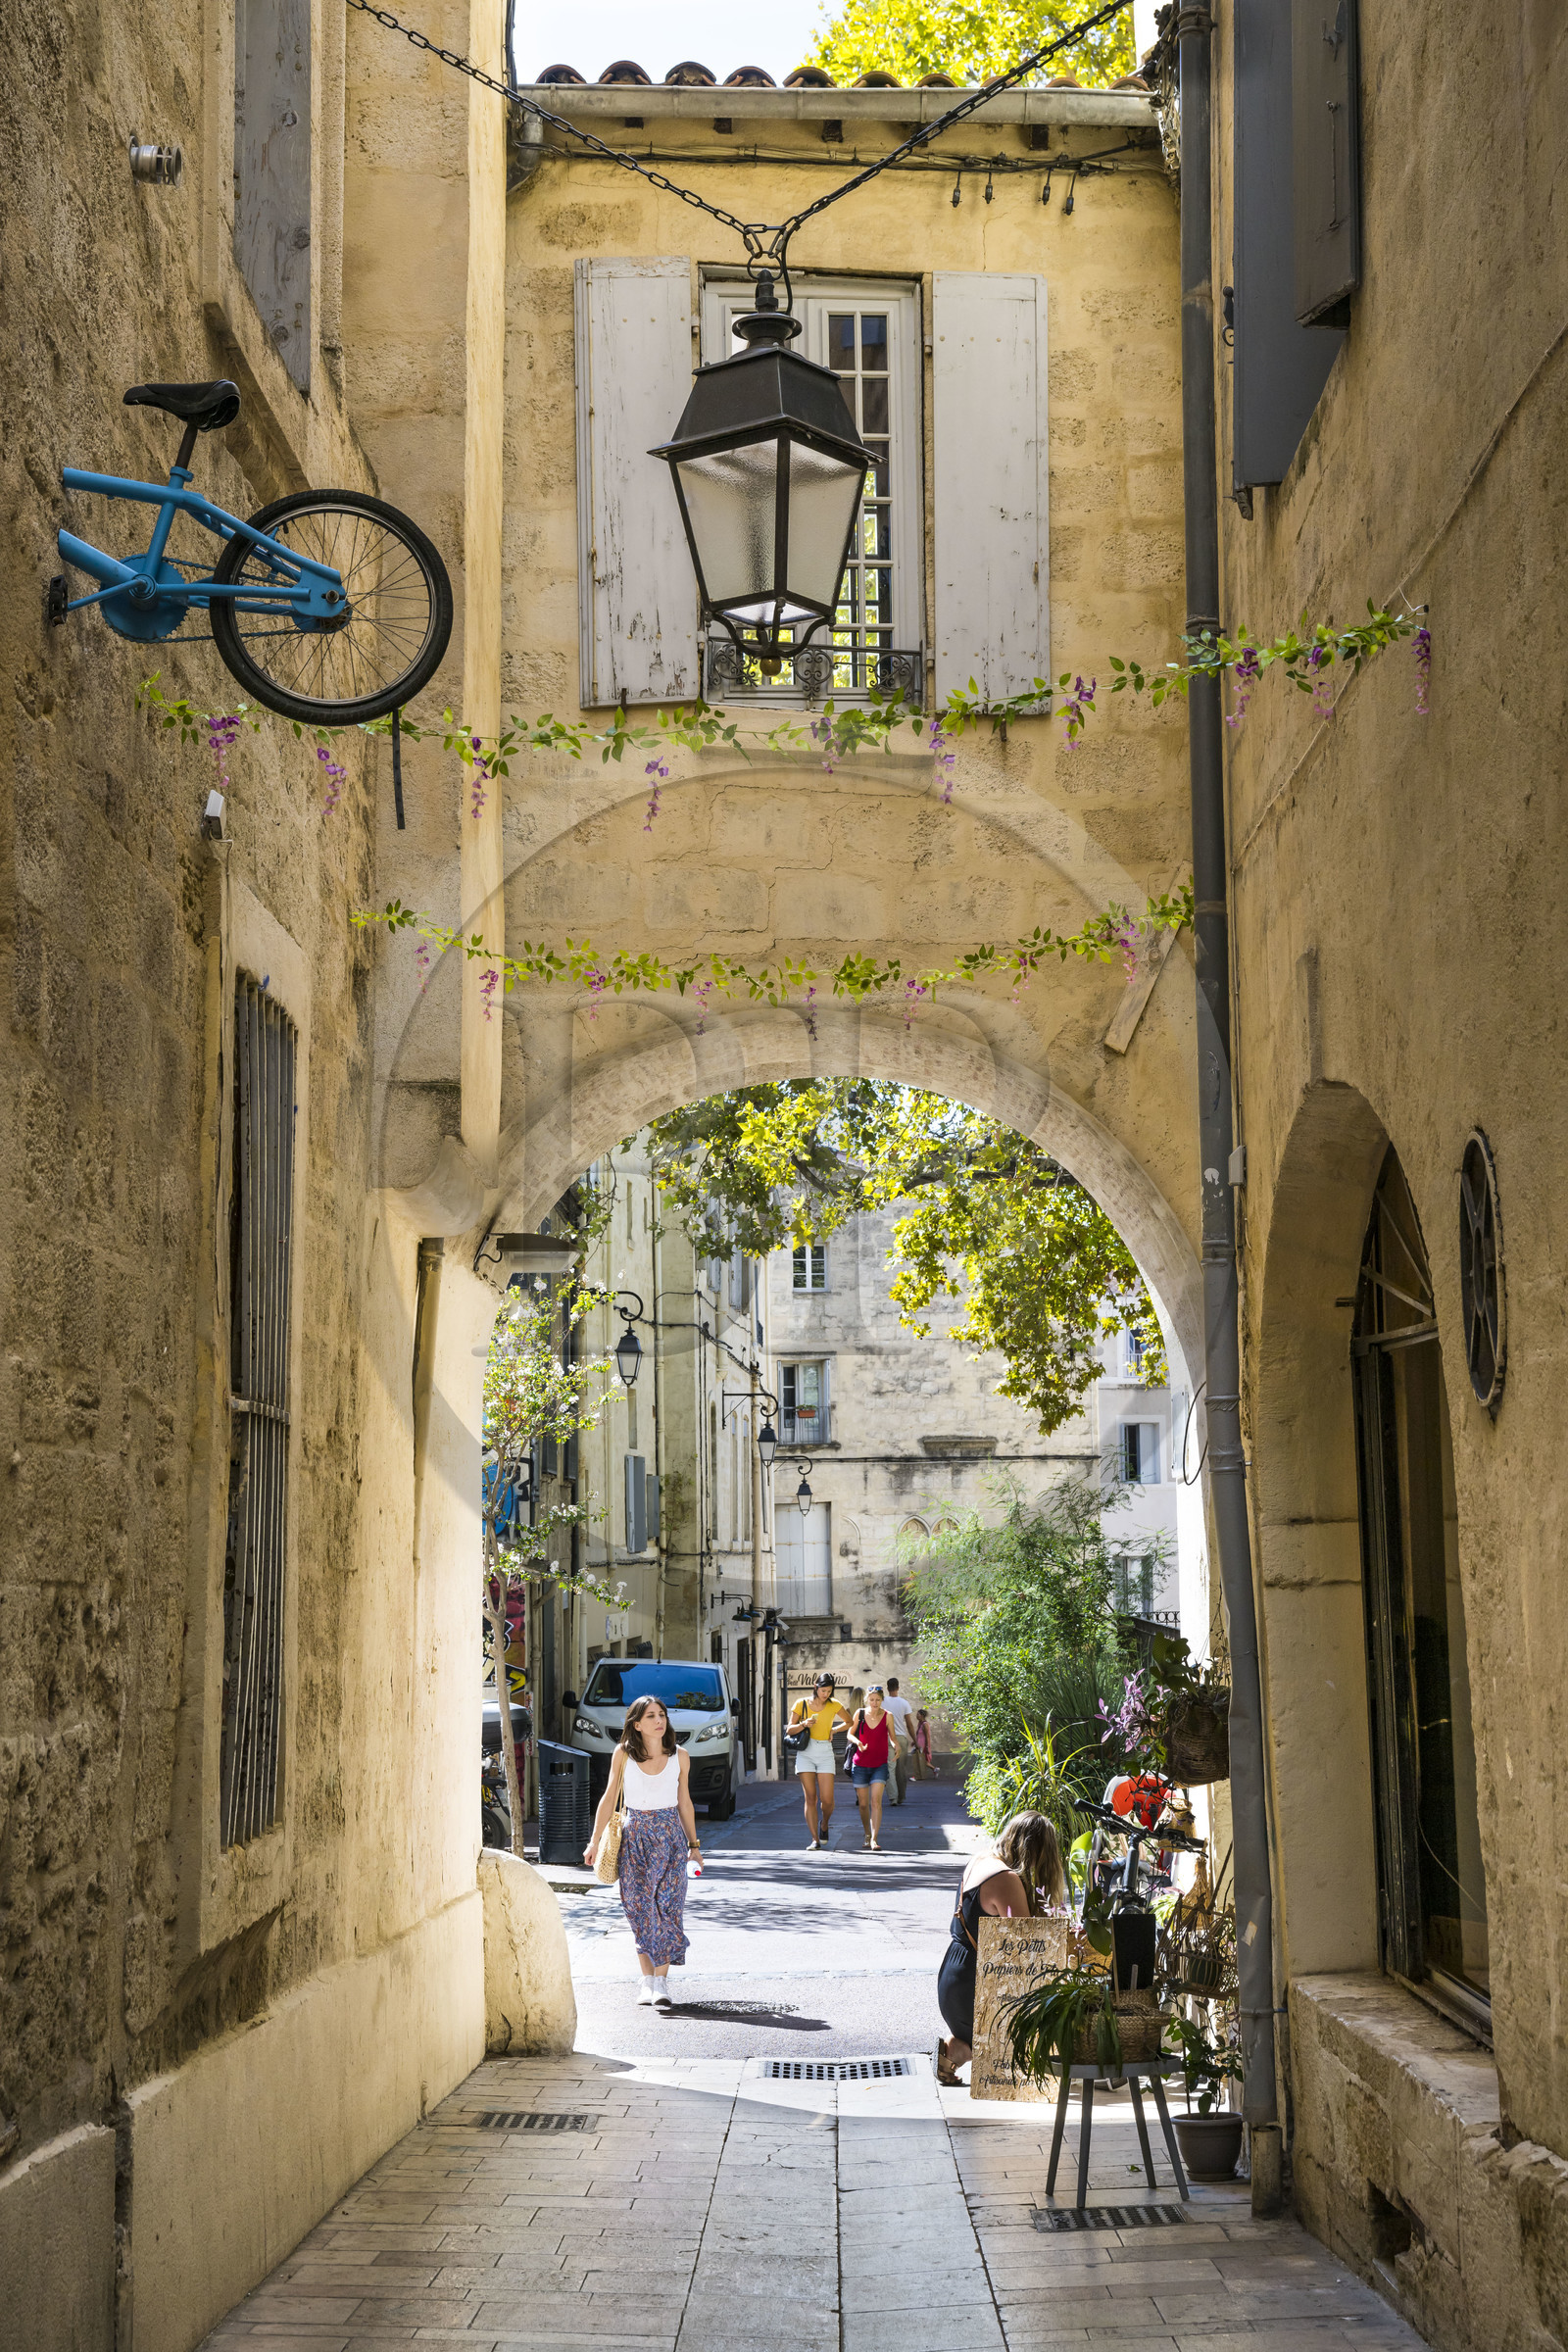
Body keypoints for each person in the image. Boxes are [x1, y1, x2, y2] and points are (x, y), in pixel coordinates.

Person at [584, 1694, 701, 2005]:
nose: (659, 1720)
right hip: (635, 1838)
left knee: (668, 1910)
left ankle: (660, 1984)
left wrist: (694, 1845)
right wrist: (594, 1841)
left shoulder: (681, 1756)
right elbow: (609, 1798)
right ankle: (647, 1981)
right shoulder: (623, 1754)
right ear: (636, 1724)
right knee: (640, 1911)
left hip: (671, 1839)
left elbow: (685, 1803)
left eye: (661, 1715)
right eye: (650, 1716)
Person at [934, 1812, 1065, 2083]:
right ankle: (994, 2053)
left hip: (953, 1982)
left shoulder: (981, 1860)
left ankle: (960, 2049)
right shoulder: (1006, 1879)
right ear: (1039, 1853)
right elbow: (1031, 1947)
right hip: (974, 1990)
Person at [788, 1674, 852, 1848]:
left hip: (824, 1751)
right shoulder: (801, 1704)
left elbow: (849, 1721)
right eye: (823, 1690)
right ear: (816, 1687)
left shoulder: (834, 1705)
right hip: (805, 1752)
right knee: (810, 1798)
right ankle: (815, 1839)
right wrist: (804, 1724)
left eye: (829, 1691)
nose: (826, 1694)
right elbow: (789, 1730)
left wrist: (834, 1730)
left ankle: (824, 1824)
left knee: (828, 1800)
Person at [846, 1685, 903, 1850]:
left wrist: (896, 1745)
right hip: (860, 1764)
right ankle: (867, 1834)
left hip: (880, 1764)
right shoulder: (860, 1714)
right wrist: (858, 1742)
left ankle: (874, 1839)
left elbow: (892, 1737)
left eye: (878, 1700)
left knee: (875, 1801)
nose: (875, 1703)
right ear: (867, 1700)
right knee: (863, 1804)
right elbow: (850, 1733)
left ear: (882, 1700)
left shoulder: (888, 1716)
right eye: (872, 1700)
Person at [883, 1677, 916, 1805]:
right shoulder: (904, 1703)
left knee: (890, 1768)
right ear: (898, 1687)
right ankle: (901, 1797)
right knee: (901, 1769)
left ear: (887, 1687)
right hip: (901, 1738)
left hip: (886, 1738)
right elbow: (909, 1724)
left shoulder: (882, 1702)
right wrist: (915, 1740)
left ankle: (893, 1797)